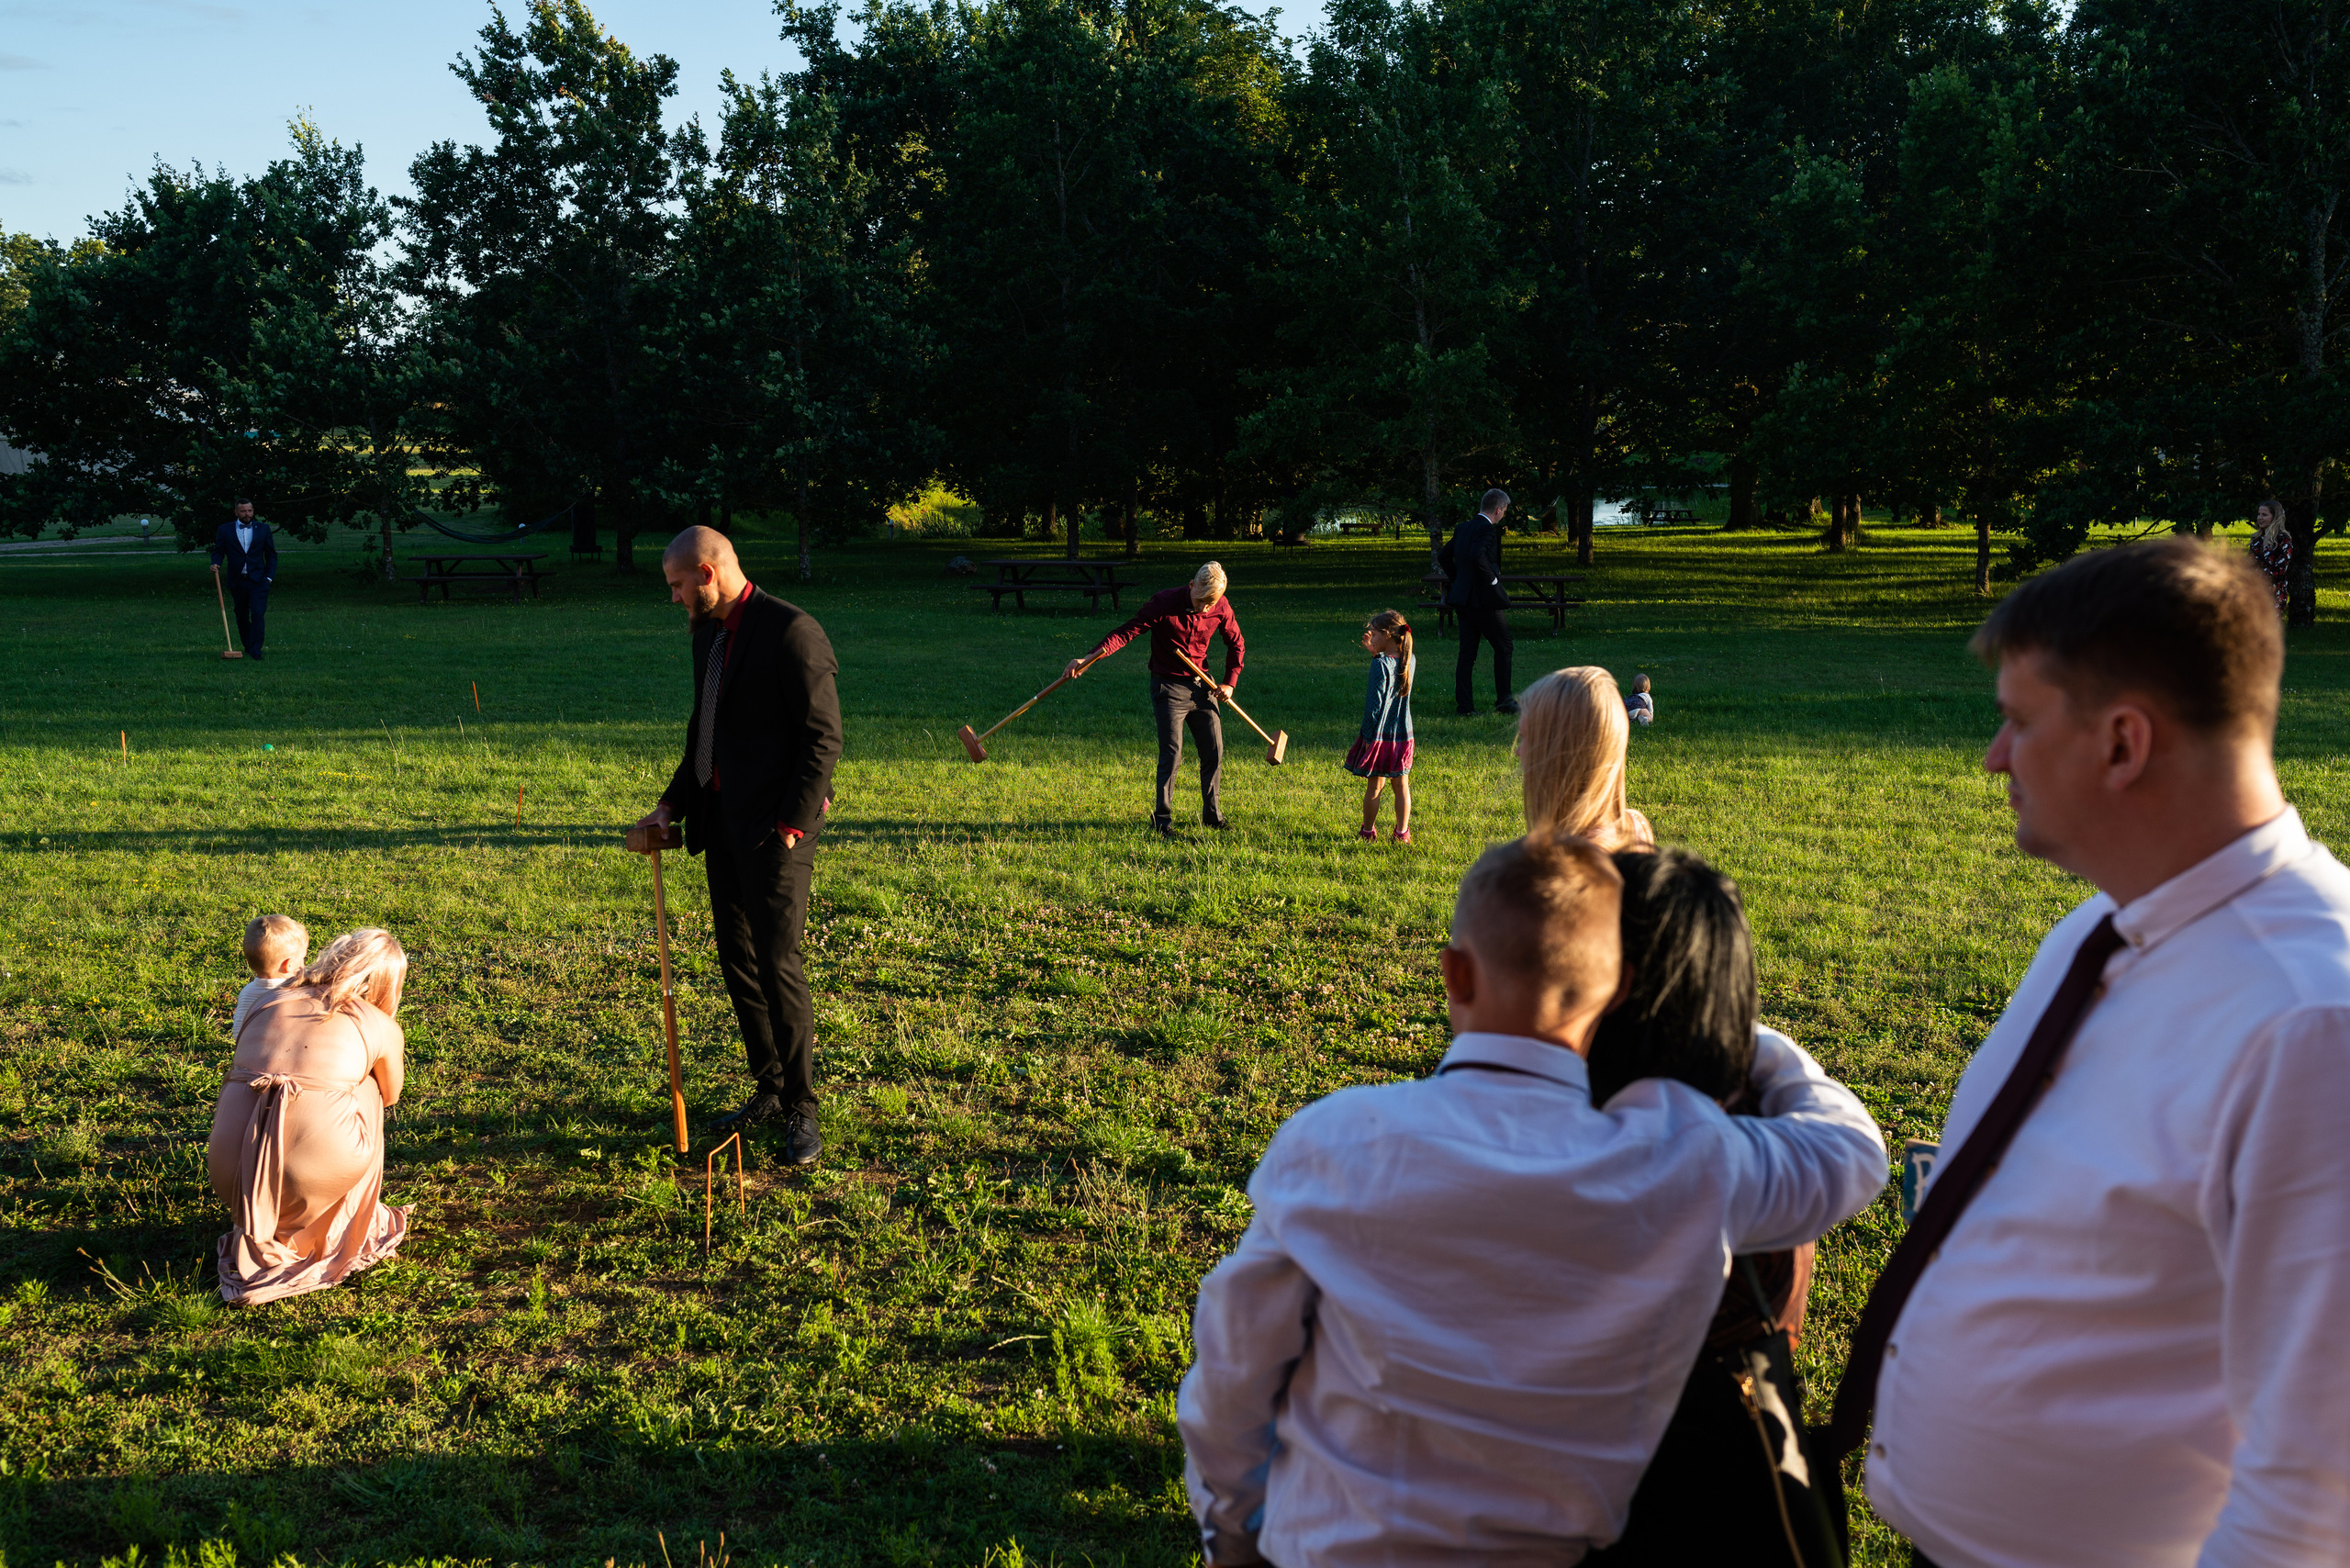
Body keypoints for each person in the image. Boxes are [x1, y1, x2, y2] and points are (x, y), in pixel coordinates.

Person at [1828, 538, 2350, 1567]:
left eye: (2018, 721)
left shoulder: (2307, 1022)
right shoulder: (2104, 928)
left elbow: (2316, 1491)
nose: (1991, 756)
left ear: (2121, 744)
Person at [1178, 831, 1887, 1566]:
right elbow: (1853, 1151)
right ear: (1612, 992)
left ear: (1455, 972)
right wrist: (1734, 1031)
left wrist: (1231, 1532)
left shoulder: (1338, 1140)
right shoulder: (1685, 1158)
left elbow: (1233, 1374)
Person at [1583, 847, 1834, 1567]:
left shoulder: (1565, 1133)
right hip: (1738, 1474)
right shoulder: (1766, 1139)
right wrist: (1759, 1047)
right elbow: (1852, 1148)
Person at [635, 527, 843, 1164]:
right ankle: (770, 1087)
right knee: (738, 962)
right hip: (720, 822)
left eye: (676, 585)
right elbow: (706, 731)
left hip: (775, 830)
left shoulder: (791, 631)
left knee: (778, 965)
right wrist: (672, 803)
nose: (672, 599)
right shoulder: (709, 636)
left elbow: (822, 740)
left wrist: (791, 825)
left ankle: (802, 1110)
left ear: (706, 572)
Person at [207, 927, 410, 1305]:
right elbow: (391, 1096)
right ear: (387, 982)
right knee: (365, 1089)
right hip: (313, 1169)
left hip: (227, 1170)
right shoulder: (380, 1025)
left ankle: (273, 1222)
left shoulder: (265, 1000)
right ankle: (336, 1230)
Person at [1063, 562, 1246, 835]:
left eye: (1210, 604)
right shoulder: (1164, 602)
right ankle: (1162, 821)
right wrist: (1089, 659)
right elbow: (1127, 632)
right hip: (1168, 687)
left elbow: (1236, 643)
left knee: (1214, 750)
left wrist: (1229, 683)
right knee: (1172, 755)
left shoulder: (1221, 606)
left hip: (1203, 686)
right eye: (1201, 602)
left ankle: (1212, 816)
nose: (1204, 609)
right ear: (1191, 585)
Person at [1518, 666, 1657, 849]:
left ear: (1561, 754)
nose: (1518, 751)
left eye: (1528, 737)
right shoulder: (1636, 827)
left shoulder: (1532, 863)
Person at [1442, 488, 1516, 715]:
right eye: (1504, 511)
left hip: (1462, 600)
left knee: (1467, 653)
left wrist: (1459, 580)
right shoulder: (1487, 529)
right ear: (1498, 509)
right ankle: (1504, 702)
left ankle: (1465, 706)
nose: (1503, 514)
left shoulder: (1463, 527)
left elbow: (1443, 556)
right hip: (1483, 600)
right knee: (1504, 647)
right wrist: (1492, 580)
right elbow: (1477, 555)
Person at [1345, 610, 1416, 843]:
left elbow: (1373, 706)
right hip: (1404, 735)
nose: (1370, 638)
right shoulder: (1410, 659)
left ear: (1387, 635)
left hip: (1380, 736)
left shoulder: (1380, 666)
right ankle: (1402, 833)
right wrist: (1376, 654)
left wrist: (1366, 736)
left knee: (1375, 786)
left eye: (1374, 634)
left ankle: (1367, 832)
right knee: (1401, 784)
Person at [207, 498, 275, 660]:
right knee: (242, 615)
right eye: (244, 511)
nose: (247, 514)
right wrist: (215, 563)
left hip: (259, 580)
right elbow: (219, 551)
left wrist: (269, 578)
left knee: (258, 614)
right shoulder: (225, 530)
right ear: (236, 512)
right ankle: (248, 645)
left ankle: (256, 650)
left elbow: (271, 555)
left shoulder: (263, 529)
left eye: (250, 511)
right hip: (238, 580)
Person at [231, 913, 308, 1043]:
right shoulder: (293, 992)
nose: (304, 964)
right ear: (288, 965)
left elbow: (238, 1033)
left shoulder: (246, 992)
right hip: (282, 1056)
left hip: (246, 1055)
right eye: (302, 959)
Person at [2248, 496, 2291, 614]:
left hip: (2273, 592)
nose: (2260, 518)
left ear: (2275, 517)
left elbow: (2280, 570)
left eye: (2264, 515)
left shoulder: (2283, 540)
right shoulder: (2257, 540)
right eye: (2259, 514)